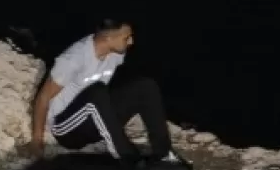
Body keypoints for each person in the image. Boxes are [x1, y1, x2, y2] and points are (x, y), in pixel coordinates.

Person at [29, 19, 175, 161]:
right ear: (108, 38)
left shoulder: (116, 53)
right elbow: (43, 97)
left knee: (146, 86)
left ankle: (163, 154)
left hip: (93, 120)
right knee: (97, 92)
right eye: (126, 38)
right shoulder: (73, 59)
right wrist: (37, 140)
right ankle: (128, 158)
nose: (131, 42)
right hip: (67, 129)